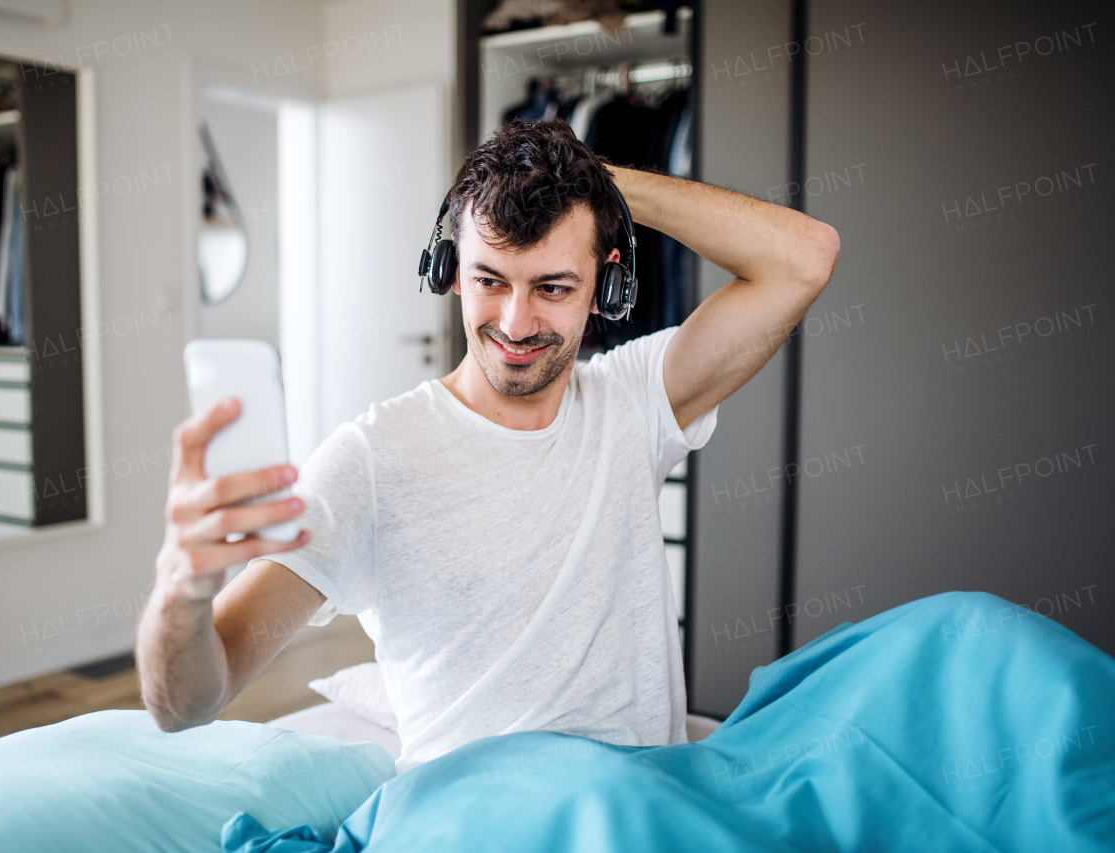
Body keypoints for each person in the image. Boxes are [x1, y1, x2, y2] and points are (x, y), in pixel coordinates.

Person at [135, 119, 840, 773]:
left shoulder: (635, 401)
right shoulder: (372, 459)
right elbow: (187, 703)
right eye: (489, 280)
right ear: (450, 271)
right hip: (485, 815)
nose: (515, 320)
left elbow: (804, 258)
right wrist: (179, 592)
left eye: (553, 286)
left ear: (609, 281)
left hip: (639, 803)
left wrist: (596, 181)